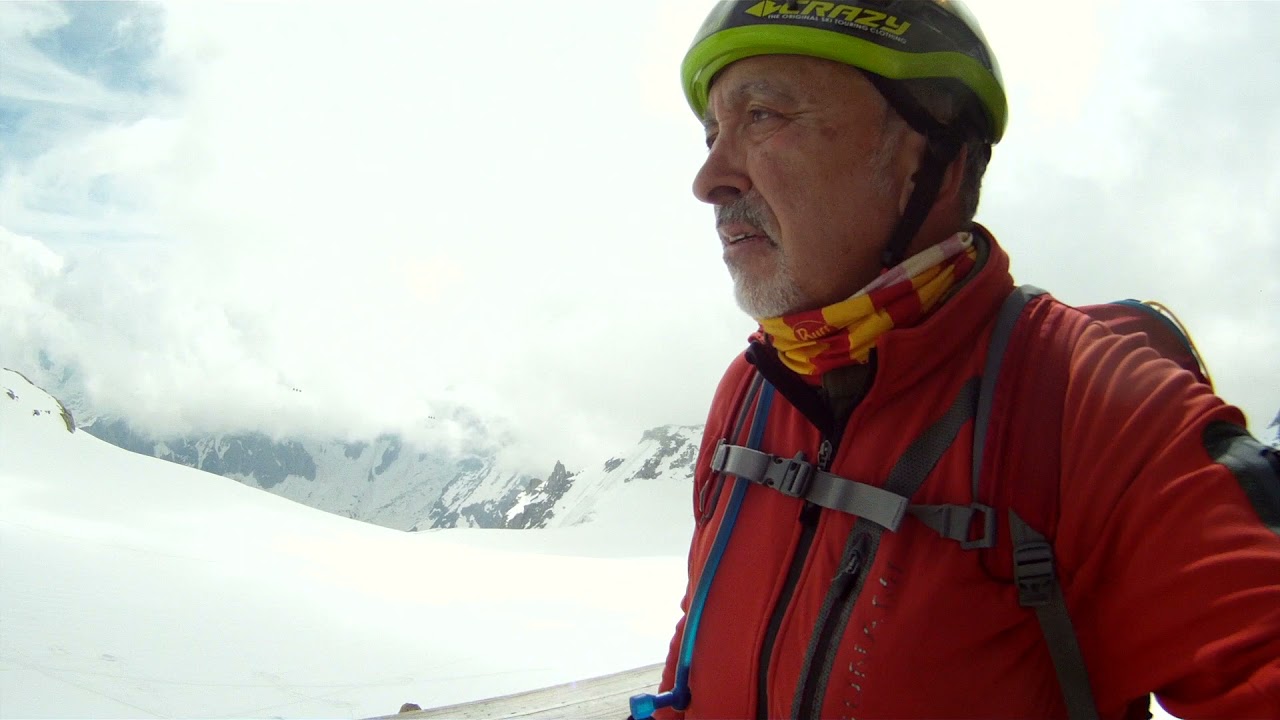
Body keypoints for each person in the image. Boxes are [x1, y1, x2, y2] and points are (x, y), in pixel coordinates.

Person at [642, 2, 1280, 719]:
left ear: (932, 160)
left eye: (763, 116)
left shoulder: (1092, 402)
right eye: (711, 133)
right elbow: (692, 662)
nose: (710, 178)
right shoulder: (751, 391)